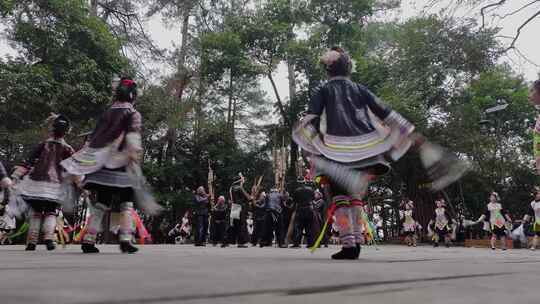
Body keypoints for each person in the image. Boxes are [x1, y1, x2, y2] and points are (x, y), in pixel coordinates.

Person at [292, 47, 468, 259]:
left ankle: (349, 244)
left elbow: (311, 119)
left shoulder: (323, 90)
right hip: (365, 149)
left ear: (328, 70)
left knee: (340, 197)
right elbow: (386, 112)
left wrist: (308, 144)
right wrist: (414, 137)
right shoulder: (359, 89)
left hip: (337, 150)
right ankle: (356, 241)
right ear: (348, 69)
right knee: (354, 197)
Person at [61, 77, 159, 254]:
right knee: (126, 203)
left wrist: (85, 159)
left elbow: (94, 137)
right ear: (132, 95)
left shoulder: (107, 112)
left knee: (102, 203)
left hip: (102, 164)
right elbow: (133, 136)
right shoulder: (132, 113)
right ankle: (125, 240)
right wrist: (135, 154)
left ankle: (89, 239)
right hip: (121, 162)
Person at [11, 114, 74, 251]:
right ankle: (49, 239)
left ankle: (32, 241)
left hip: (36, 184)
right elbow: (74, 166)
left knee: (37, 211)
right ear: (66, 131)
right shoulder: (67, 148)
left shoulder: (43, 145)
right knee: (51, 211)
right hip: (55, 186)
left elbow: (28, 161)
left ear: (52, 129)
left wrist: (16, 176)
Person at [224, 175, 250, 248]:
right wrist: (251, 197)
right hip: (240, 208)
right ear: (239, 181)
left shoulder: (231, 188)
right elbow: (248, 198)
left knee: (232, 225)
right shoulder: (240, 188)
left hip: (234, 207)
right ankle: (241, 243)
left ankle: (226, 241)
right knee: (241, 225)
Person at [291, 178, 315, 248]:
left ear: (298, 183)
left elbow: (294, 202)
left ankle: (296, 243)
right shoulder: (310, 189)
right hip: (309, 210)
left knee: (298, 228)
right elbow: (313, 199)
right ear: (304, 182)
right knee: (309, 228)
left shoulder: (296, 191)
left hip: (300, 210)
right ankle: (311, 244)